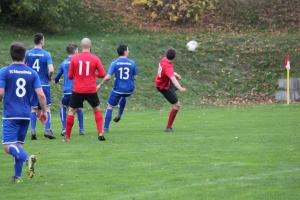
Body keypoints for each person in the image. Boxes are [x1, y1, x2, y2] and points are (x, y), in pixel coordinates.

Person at [0, 42, 48, 183]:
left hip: (10, 114)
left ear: (11, 55)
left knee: (7, 146)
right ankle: (18, 177)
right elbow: (41, 95)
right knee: (17, 146)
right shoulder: (32, 73)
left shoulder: (5, 71)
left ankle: (28, 159)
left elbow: (1, 93)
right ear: (24, 56)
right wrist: (44, 111)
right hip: (25, 115)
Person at [65, 38, 106, 142]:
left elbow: (69, 76)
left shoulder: (74, 58)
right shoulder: (95, 58)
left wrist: (78, 75)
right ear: (90, 46)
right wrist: (93, 74)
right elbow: (102, 74)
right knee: (96, 108)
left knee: (71, 111)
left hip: (77, 89)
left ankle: (68, 137)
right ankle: (100, 132)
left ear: (81, 46)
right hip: (91, 89)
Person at [97, 44, 137, 132]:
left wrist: (100, 85)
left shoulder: (114, 63)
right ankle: (119, 114)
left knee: (110, 106)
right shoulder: (132, 63)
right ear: (125, 52)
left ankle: (105, 128)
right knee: (124, 96)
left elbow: (108, 77)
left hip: (118, 89)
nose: (128, 51)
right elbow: (135, 77)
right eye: (128, 50)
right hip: (129, 89)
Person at [25, 33, 55, 140]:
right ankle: (47, 130)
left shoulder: (27, 53)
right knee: (46, 107)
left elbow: (23, 66)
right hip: (43, 84)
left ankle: (33, 131)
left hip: (32, 84)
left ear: (34, 41)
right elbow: (51, 70)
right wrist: (49, 76)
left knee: (33, 109)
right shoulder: (46, 54)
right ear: (42, 41)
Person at [54, 43, 84, 136]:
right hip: (78, 90)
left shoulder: (64, 63)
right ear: (75, 51)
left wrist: (57, 80)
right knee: (79, 108)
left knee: (63, 107)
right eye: (77, 50)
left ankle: (64, 128)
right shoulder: (80, 62)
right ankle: (81, 129)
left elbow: (57, 77)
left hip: (67, 91)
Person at [155, 48, 186, 132]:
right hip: (163, 87)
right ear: (175, 57)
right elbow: (173, 80)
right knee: (177, 105)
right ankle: (168, 128)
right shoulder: (168, 67)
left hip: (163, 83)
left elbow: (169, 73)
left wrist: (175, 74)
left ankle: (173, 92)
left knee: (174, 89)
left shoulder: (164, 59)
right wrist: (180, 88)